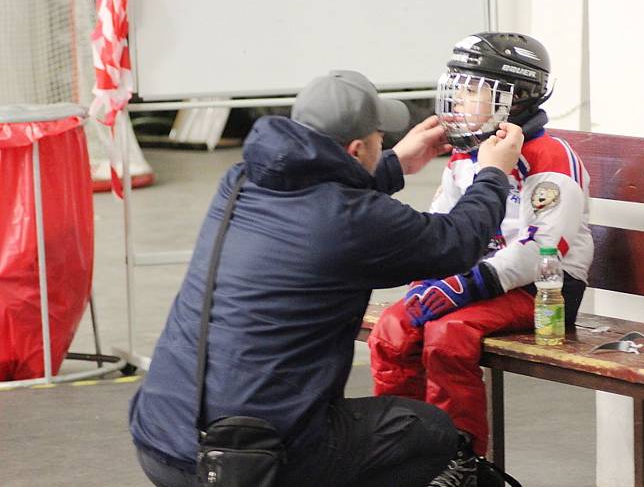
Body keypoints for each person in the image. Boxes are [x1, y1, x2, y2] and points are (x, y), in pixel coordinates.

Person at [128, 69, 525, 487]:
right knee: (428, 432)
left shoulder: (241, 180)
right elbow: (457, 241)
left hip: (162, 437)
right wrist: (493, 173)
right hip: (249, 461)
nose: (384, 142)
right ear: (356, 149)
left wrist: (391, 165)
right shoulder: (354, 221)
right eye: (379, 139)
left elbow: (316, 189)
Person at [369, 32, 595, 486]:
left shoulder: (550, 157)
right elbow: (441, 222)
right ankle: (401, 453)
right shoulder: (467, 152)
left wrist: (461, 286)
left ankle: (460, 458)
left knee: (448, 335)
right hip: (472, 282)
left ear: (514, 97)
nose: (458, 99)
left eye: (472, 89)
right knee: (393, 330)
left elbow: (543, 250)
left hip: (542, 290)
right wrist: (428, 277)